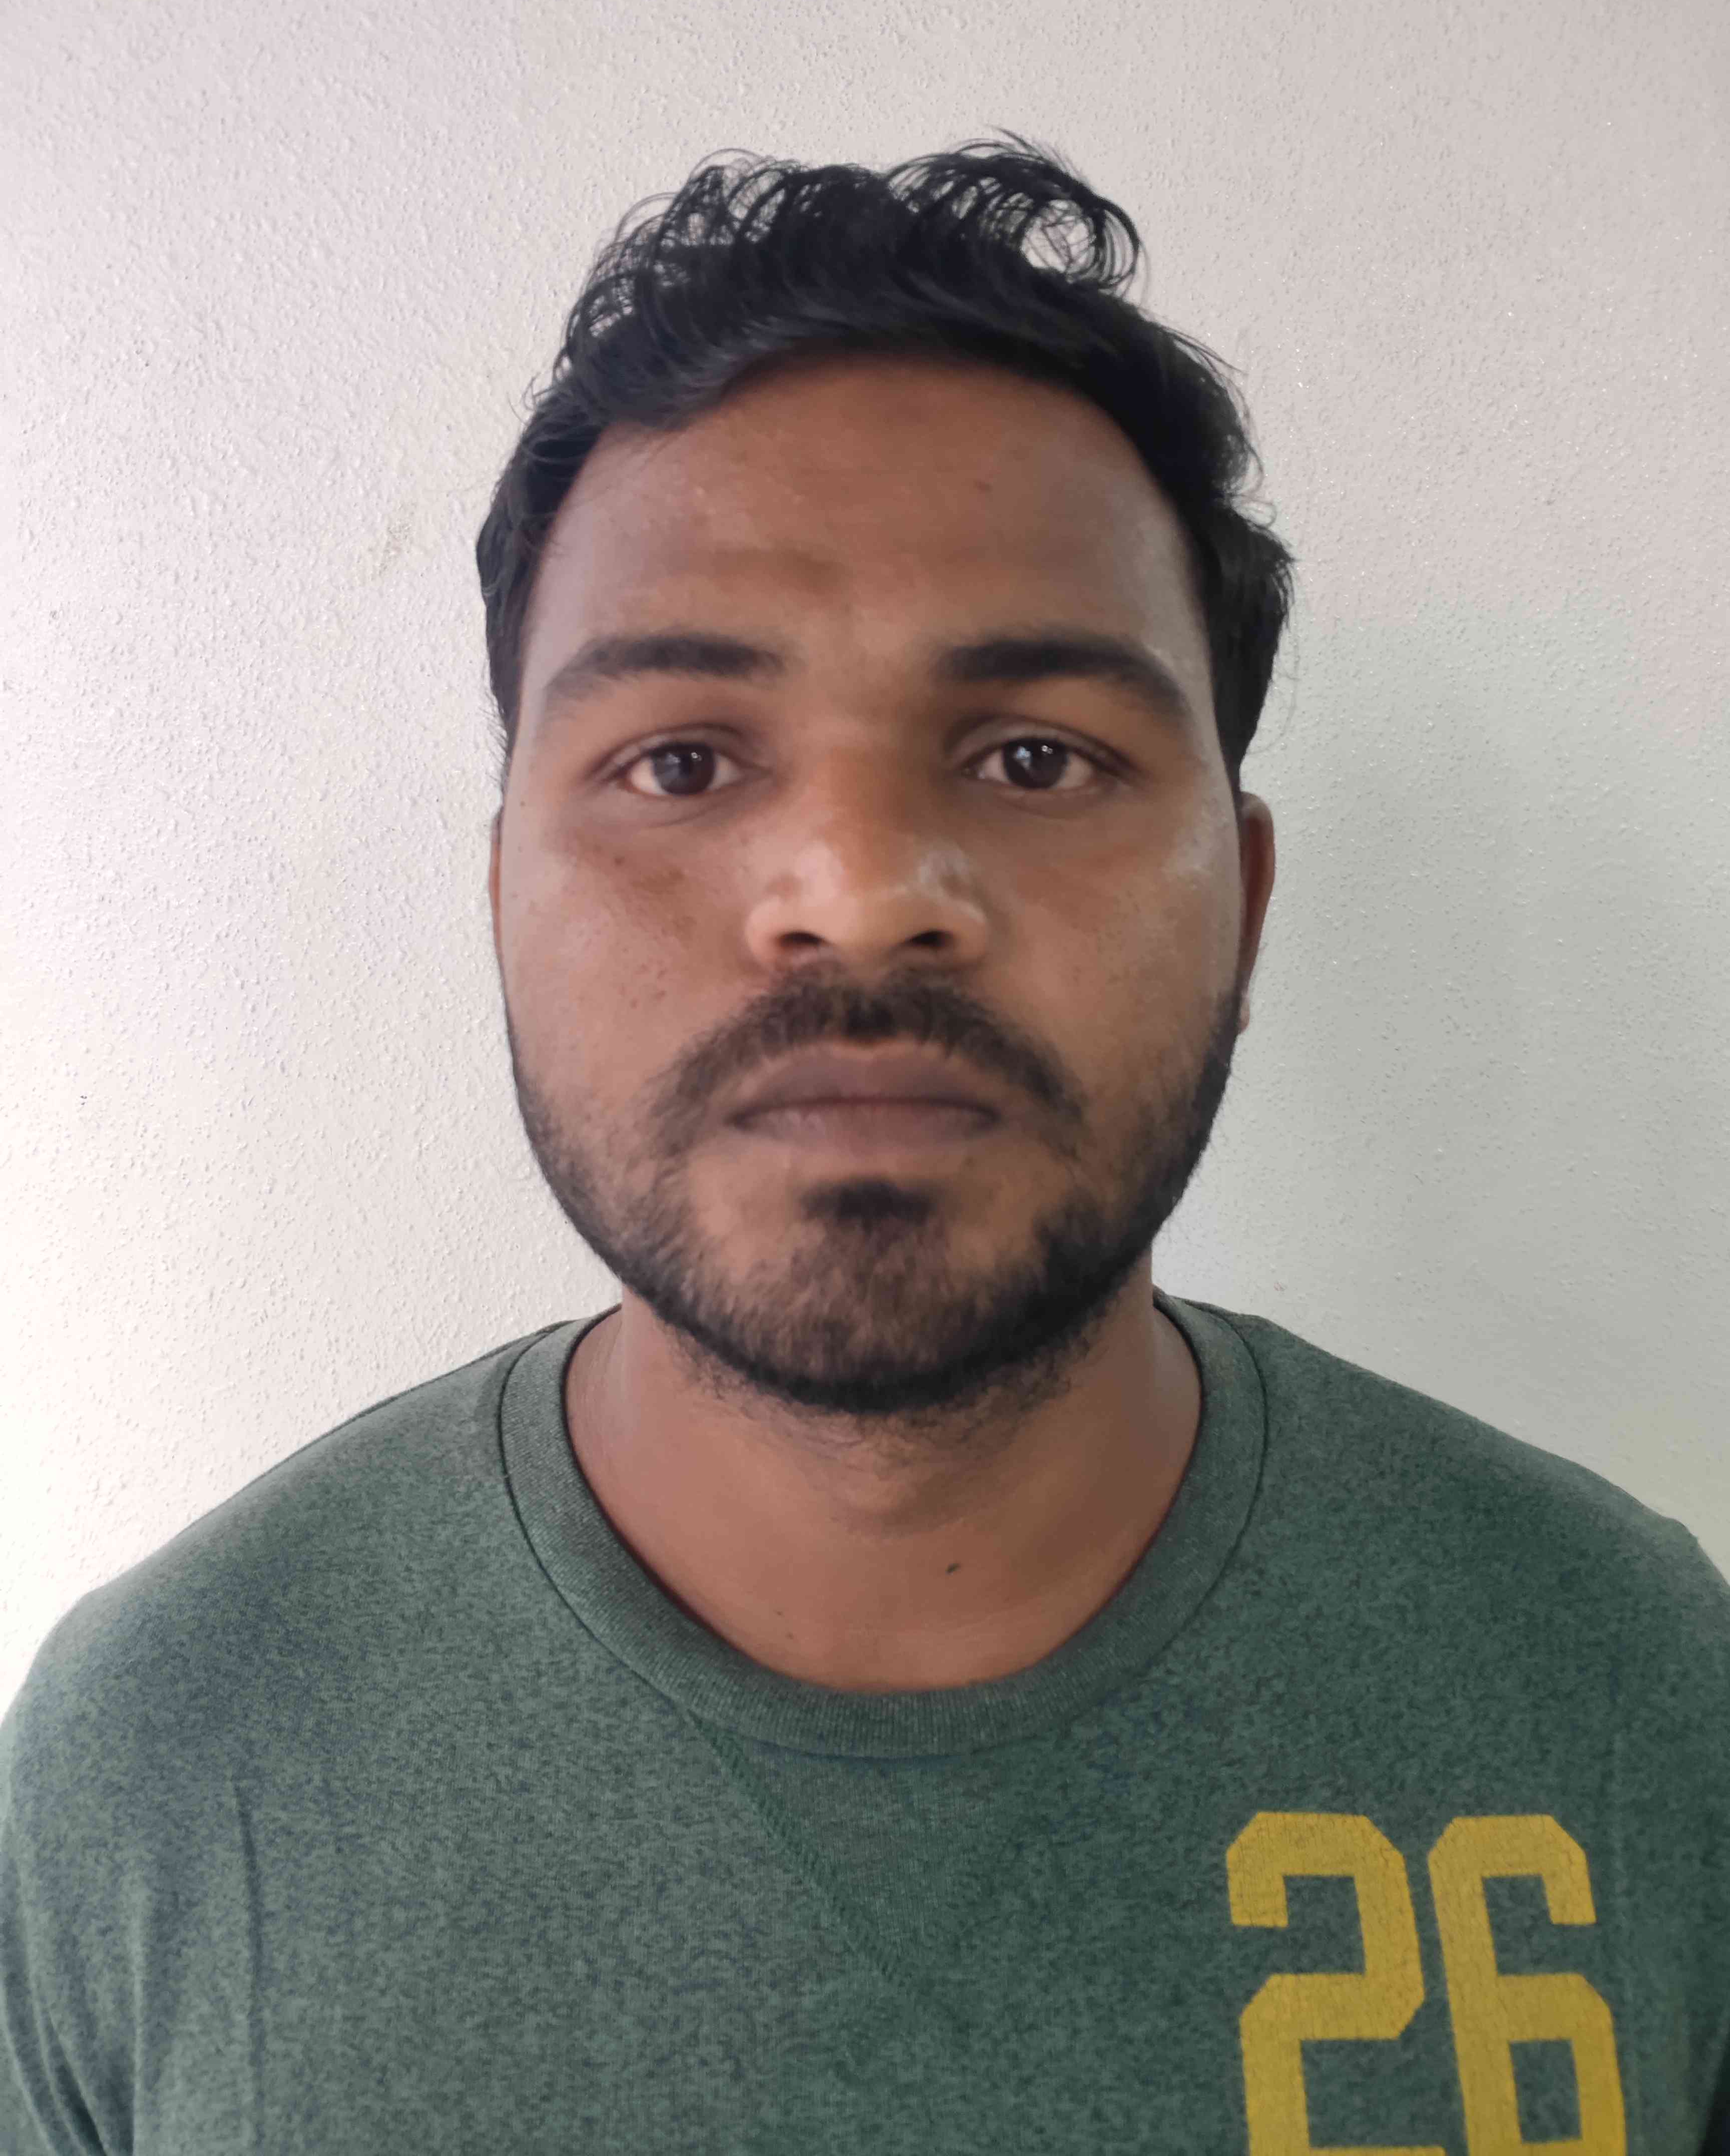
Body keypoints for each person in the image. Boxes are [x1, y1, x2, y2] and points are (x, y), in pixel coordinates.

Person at [3, 137, 1725, 2153]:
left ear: (1248, 909)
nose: (859, 892)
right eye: (680, 760)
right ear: (499, 906)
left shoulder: (1637, 1691)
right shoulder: (151, 1767)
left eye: (1034, 758)